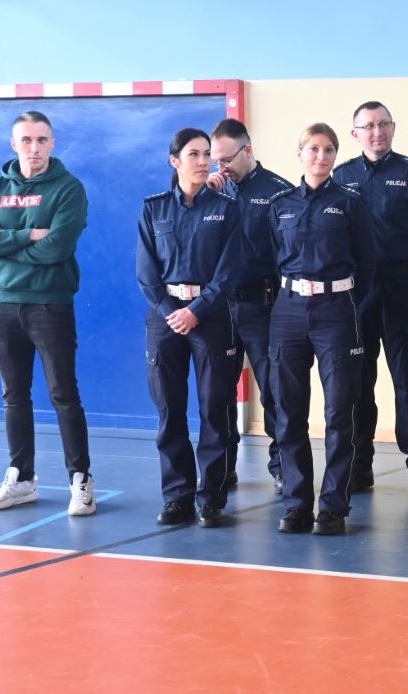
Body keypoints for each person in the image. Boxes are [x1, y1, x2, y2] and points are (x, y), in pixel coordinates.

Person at [0, 110, 96, 516]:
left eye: (42, 140)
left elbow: (57, 248)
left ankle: (81, 480)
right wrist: (29, 234)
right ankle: (22, 478)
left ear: (52, 143)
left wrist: (4, 240)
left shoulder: (68, 189)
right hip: (3, 304)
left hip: (50, 304)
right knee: (14, 395)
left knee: (63, 394)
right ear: (14, 144)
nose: (34, 148)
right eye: (26, 140)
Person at [269, 123, 376, 536]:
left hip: (336, 311)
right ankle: (296, 503)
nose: (321, 156)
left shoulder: (350, 203)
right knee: (289, 411)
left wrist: (348, 304)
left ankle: (333, 505)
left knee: (339, 411)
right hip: (289, 310)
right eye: (313, 149)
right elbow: (271, 258)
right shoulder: (280, 205)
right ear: (300, 153)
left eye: (329, 149)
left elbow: (367, 264)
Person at [332, 101, 408, 501]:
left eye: (383, 124)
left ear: (393, 128)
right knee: (358, 383)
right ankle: (359, 467)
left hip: (402, 291)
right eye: (368, 126)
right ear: (355, 134)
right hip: (356, 293)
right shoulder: (341, 177)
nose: (376, 132)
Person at [136, 128, 242, 528]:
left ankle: (211, 498)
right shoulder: (154, 209)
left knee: (215, 409)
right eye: (194, 154)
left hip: (210, 316)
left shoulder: (226, 209)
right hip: (165, 318)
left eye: (207, 154)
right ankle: (177, 496)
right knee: (169, 410)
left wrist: (196, 310)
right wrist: (172, 312)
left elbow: (229, 271)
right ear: (175, 161)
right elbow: (146, 274)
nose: (203, 161)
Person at [207, 118, 293, 494]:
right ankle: (223, 467)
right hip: (219, 308)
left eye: (227, 159)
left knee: (275, 391)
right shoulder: (210, 192)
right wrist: (206, 195)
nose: (221, 167)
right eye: (216, 160)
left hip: (264, 305)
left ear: (248, 151)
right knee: (218, 392)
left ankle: (282, 466)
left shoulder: (278, 192)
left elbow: (289, 253)